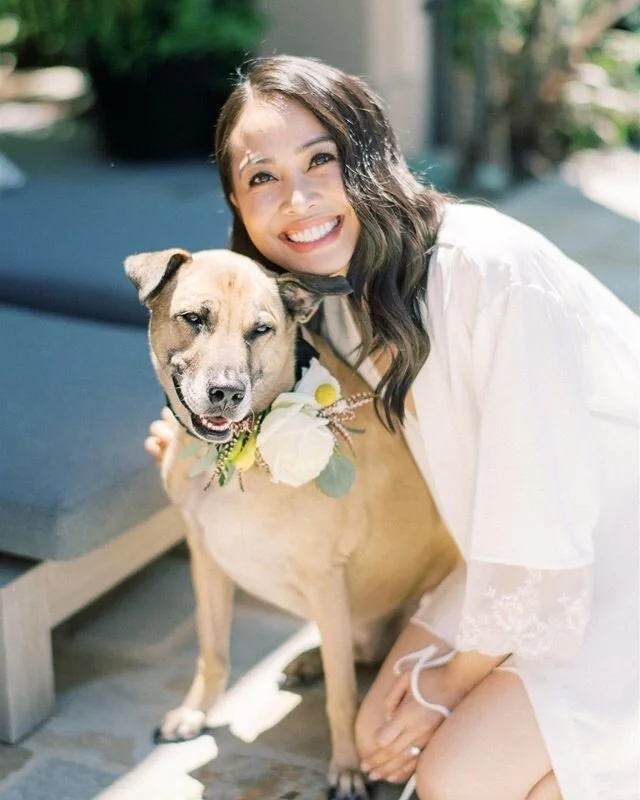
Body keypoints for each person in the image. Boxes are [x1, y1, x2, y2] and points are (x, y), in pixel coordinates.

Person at [146, 55, 639, 800]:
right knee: (379, 734)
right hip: (510, 556)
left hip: (605, 556)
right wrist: (205, 445)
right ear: (238, 205)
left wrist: (452, 680)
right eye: (262, 177)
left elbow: (546, 516)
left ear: (371, 156)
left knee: (457, 781)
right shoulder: (329, 299)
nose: (300, 199)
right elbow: (271, 404)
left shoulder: (489, 269)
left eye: (322, 159)